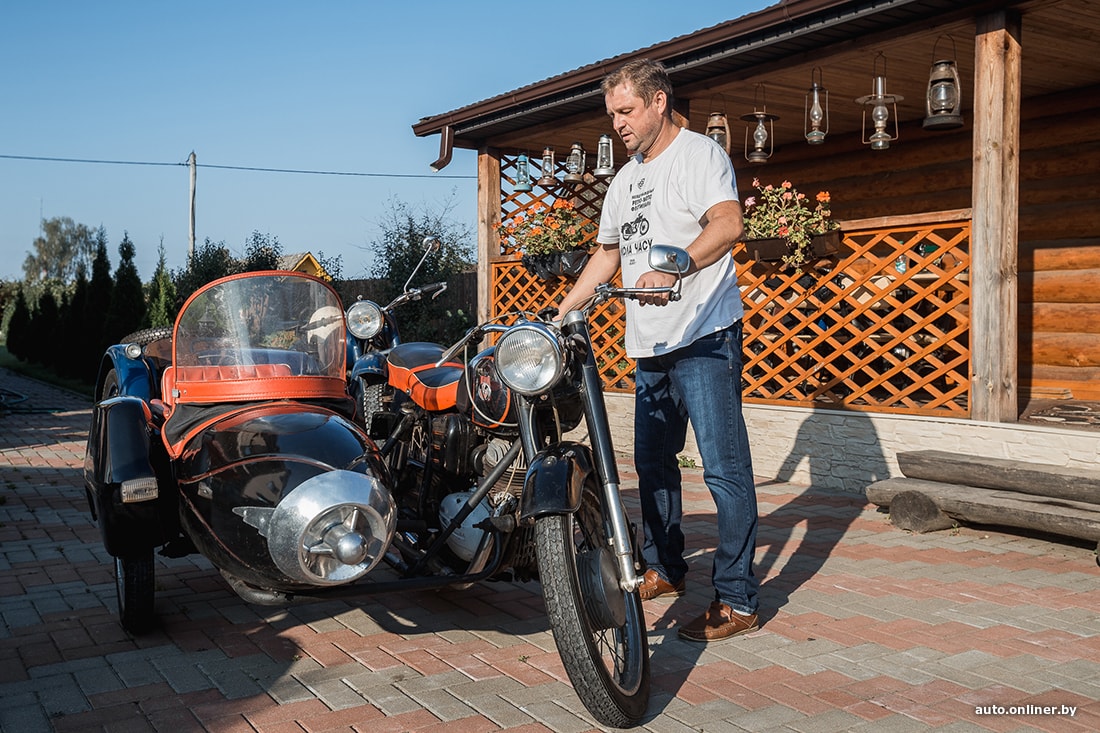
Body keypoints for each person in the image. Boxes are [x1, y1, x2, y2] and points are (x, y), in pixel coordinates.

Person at [553, 58, 759, 642]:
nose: (617, 123)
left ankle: (738, 599)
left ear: (659, 101)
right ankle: (666, 568)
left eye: (626, 110)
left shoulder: (698, 156)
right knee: (652, 466)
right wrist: (562, 311)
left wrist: (676, 265)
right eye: (612, 113)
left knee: (723, 470)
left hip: (705, 336)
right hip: (651, 344)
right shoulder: (624, 180)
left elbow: (728, 224)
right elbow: (608, 253)